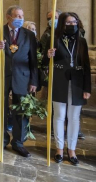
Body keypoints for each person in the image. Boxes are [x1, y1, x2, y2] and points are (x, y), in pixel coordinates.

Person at [0, 5, 38, 158]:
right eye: (17, 16)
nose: (20, 19)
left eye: (21, 16)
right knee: (0, 109)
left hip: (22, 77)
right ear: (8, 17)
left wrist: (33, 81)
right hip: (2, 76)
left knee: (21, 111)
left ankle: (18, 142)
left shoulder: (28, 34)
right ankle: (2, 140)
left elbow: (33, 60)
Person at [45, 12, 91, 166]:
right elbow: (44, 62)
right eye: (68, 22)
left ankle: (72, 149)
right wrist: (48, 55)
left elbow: (86, 66)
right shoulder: (55, 40)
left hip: (77, 83)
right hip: (60, 81)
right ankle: (59, 148)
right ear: (62, 24)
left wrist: (87, 88)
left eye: (74, 22)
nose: (71, 25)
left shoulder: (82, 42)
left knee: (74, 117)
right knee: (59, 116)